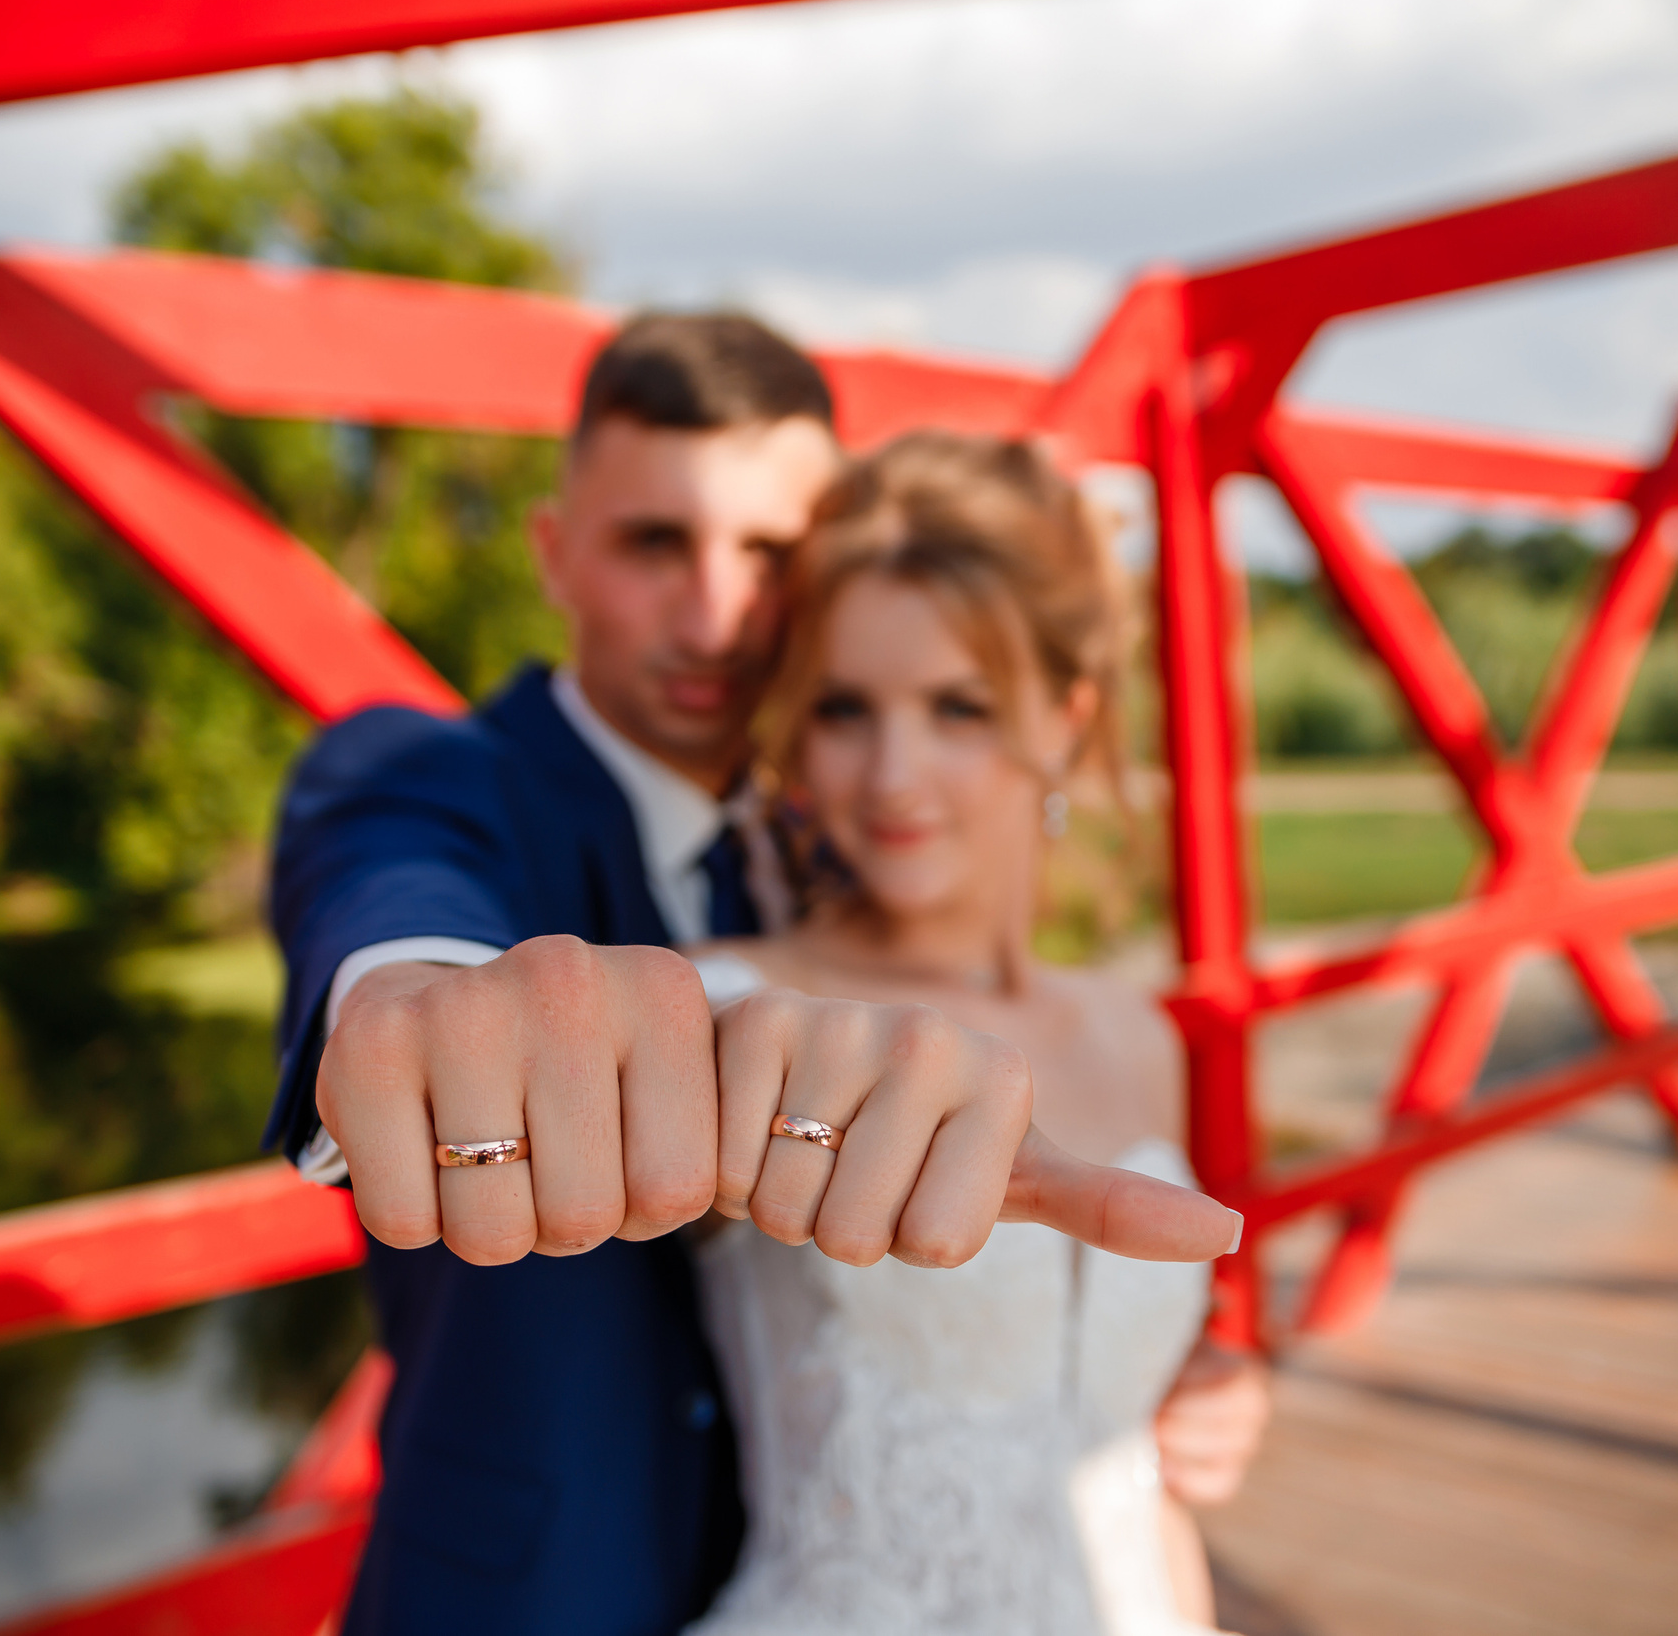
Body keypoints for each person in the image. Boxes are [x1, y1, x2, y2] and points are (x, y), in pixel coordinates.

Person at [264, 314, 1254, 1636]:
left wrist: (1190, 1377)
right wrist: (423, 1004)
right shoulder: (424, 778)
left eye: (769, 554)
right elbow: (398, 899)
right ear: (556, 552)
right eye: (653, 542)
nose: (718, 612)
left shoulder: (811, 849)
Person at [682, 430, 1252, 1636]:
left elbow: (1114, 1414)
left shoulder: (1136, 1032)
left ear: (1064, 717)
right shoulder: (735, 1005)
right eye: (843, 709)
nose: (893, 774)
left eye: (958, 708)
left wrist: (1208, 1394)